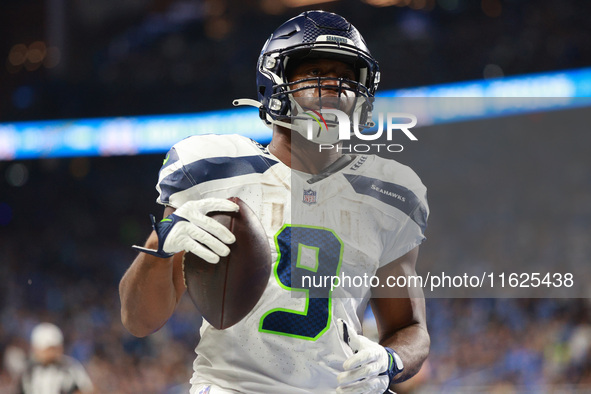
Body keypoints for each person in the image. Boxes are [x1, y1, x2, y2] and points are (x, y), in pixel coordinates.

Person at [120, 10, 429, 394]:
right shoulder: (212, 168)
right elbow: (138, 321)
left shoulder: (390, 193)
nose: (333, 86)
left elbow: (410, 329)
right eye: (315, 72)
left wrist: (390, 361)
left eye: (347, 77)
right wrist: (161, 241)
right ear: (275, 81)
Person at [16, 322, 93, 394]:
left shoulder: (70, 368)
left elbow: (86, 390)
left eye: (53, 348)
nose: (51, 353)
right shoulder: (27, 371)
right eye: (47, 349)